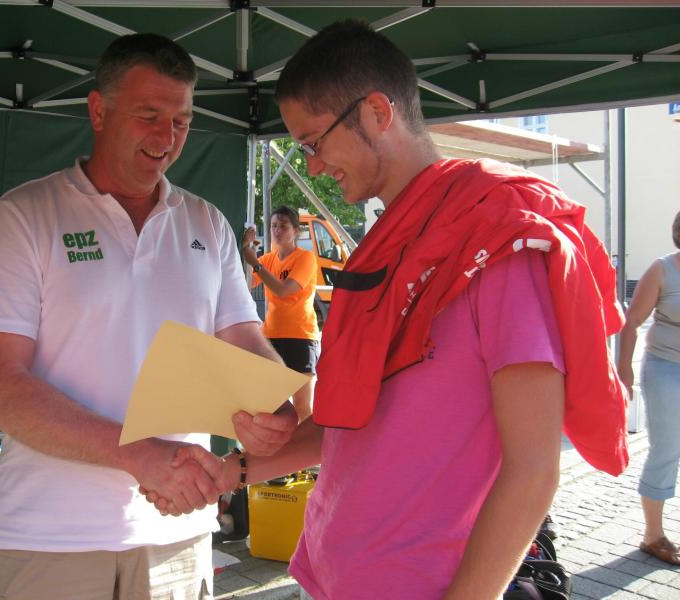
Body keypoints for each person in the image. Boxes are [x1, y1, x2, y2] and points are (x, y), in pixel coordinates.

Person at [153, 20, 629, 600]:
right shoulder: (382, 251)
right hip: (328, 571)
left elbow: (533, 470)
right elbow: (350, 420)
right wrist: (232, 472)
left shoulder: (495, 245)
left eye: (313, 142)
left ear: (378, 112)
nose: (312, 166)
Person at [0, 33, 296, 600]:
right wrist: (139, 455)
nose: (166, 138)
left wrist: (272, 401)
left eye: (182, 121)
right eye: (148, 116)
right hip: (48, 535)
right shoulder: (24, 216)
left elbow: (243, 337)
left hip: (178, 533)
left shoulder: (206, 223)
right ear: (98, 110)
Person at [617, 210, 680, 565]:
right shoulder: (662, 269)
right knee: (667, 449)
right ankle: (653, 536)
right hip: (667, 370)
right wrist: (624, 370)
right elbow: (632, 322)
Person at [243, 205, 320, 420]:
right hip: (272, 337)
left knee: (302, 408)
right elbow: (243, 284)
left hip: (300, 337)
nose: (277, 230)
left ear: (296, 231)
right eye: (274, 226)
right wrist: (247, 250)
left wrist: (254, 263)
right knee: (270, 406)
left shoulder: (305, 258)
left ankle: (304, 443)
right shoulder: (268, 259)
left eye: (283, 226)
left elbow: (284, 290)